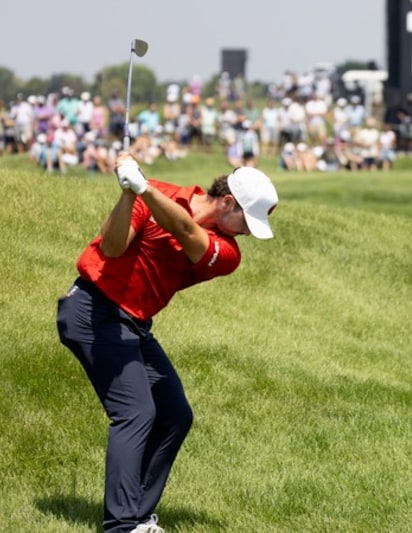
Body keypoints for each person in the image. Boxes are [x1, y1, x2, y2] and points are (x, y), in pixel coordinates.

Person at [56, 154, 278, 533]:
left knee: (175, 414)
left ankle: (138, 514)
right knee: (136, 412)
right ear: (227, 202)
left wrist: (143, 188)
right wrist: (130, 193)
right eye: (245, 220)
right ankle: (123, 525)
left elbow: (189, 235)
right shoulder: (155, 193)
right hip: (92, 311)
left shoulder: (226, 253)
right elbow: (111, 247)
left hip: (133, 324)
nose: (246, 232)